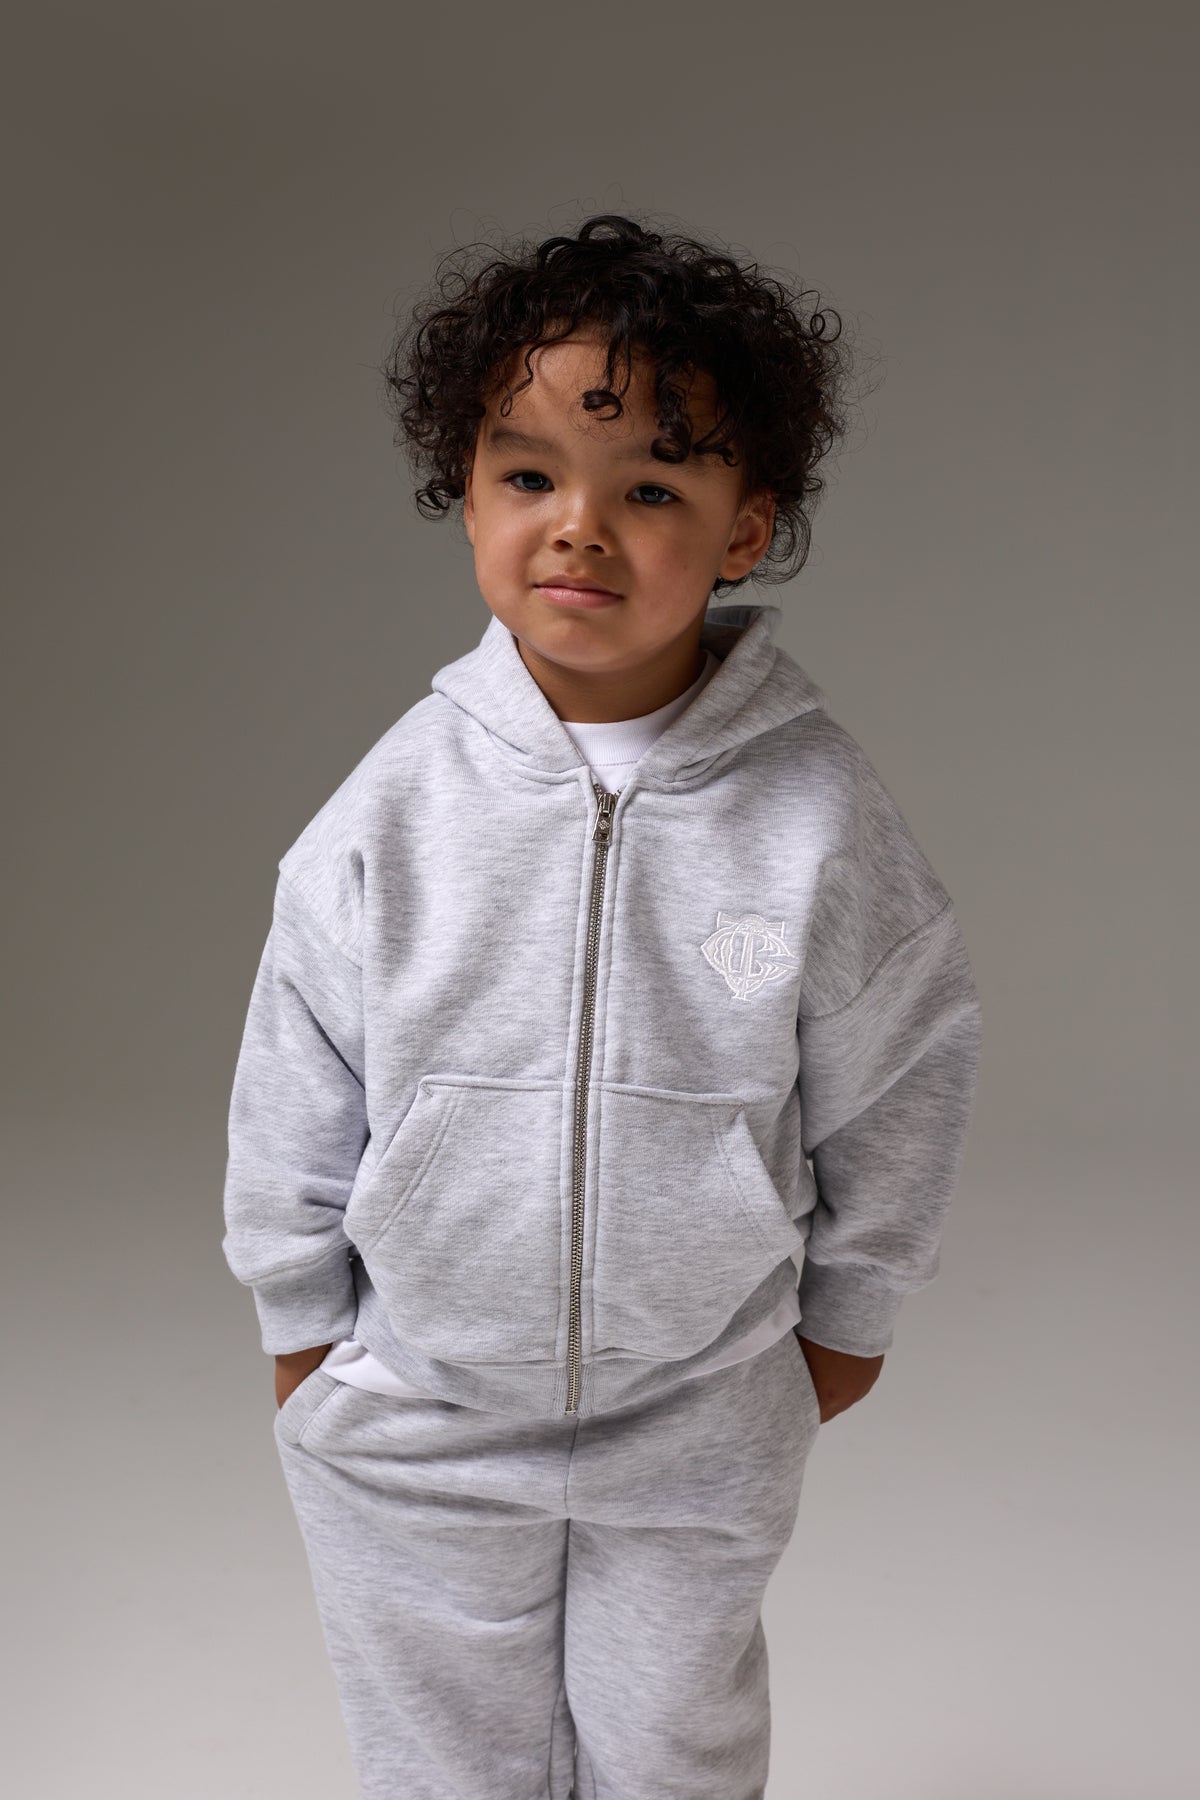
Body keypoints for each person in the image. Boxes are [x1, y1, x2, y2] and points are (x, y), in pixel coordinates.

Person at [221, 212, 982, 1800]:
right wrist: (301, 1316)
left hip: (699, 1410)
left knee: (675, 1752)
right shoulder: (397, 807)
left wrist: (849, 1315)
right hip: (419, 1404)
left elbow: (901, 1068)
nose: (579, 529)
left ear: (745, 528)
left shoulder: (815, 814)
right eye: (529, 476)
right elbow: (299, 1067)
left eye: (651, 489)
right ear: (468, 495)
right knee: (444, 1764)